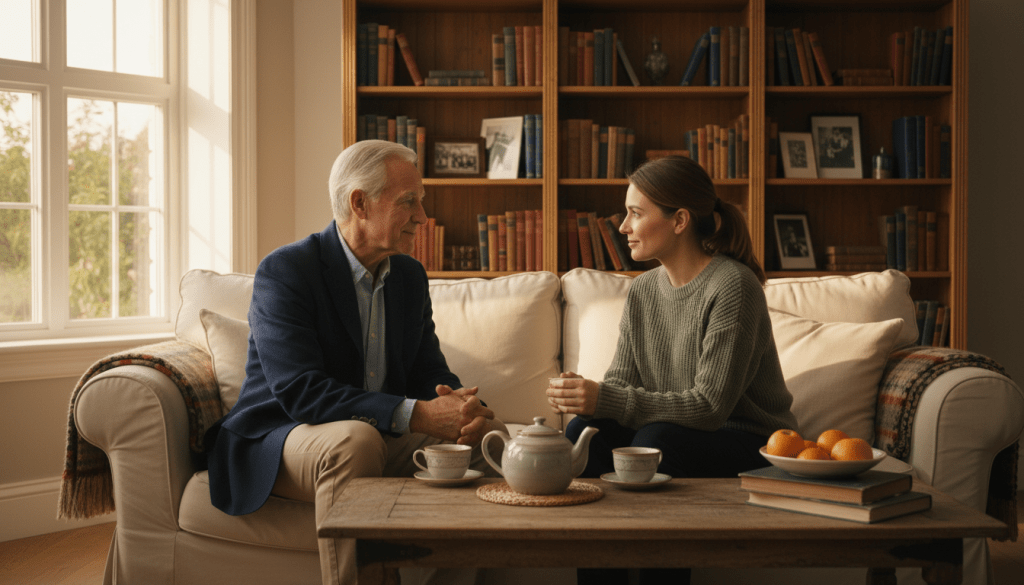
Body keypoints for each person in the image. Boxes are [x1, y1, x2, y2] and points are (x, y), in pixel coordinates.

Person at [204, 140, 506, 585]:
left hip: (377, 428)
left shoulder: (408, 275)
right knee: (357, 441)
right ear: (360, 203)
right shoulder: (287, 271)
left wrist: (457, 407)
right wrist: (418, 414)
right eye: (409, 202)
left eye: (421, 202)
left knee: (492, 442)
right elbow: (299, 391)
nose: (423, 217)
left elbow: (428, 369)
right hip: (282, 434)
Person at [546, 155, 798, 585]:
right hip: (676, 431)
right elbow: (622, 385)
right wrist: (587, 397)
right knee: (584, 433)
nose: (623, 227)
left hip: (746, 438)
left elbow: (710, 408)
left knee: (654, 442)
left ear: (680, 220)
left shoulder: (733, 286)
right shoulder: (643, 290)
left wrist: (606, 396)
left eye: (635, 214)